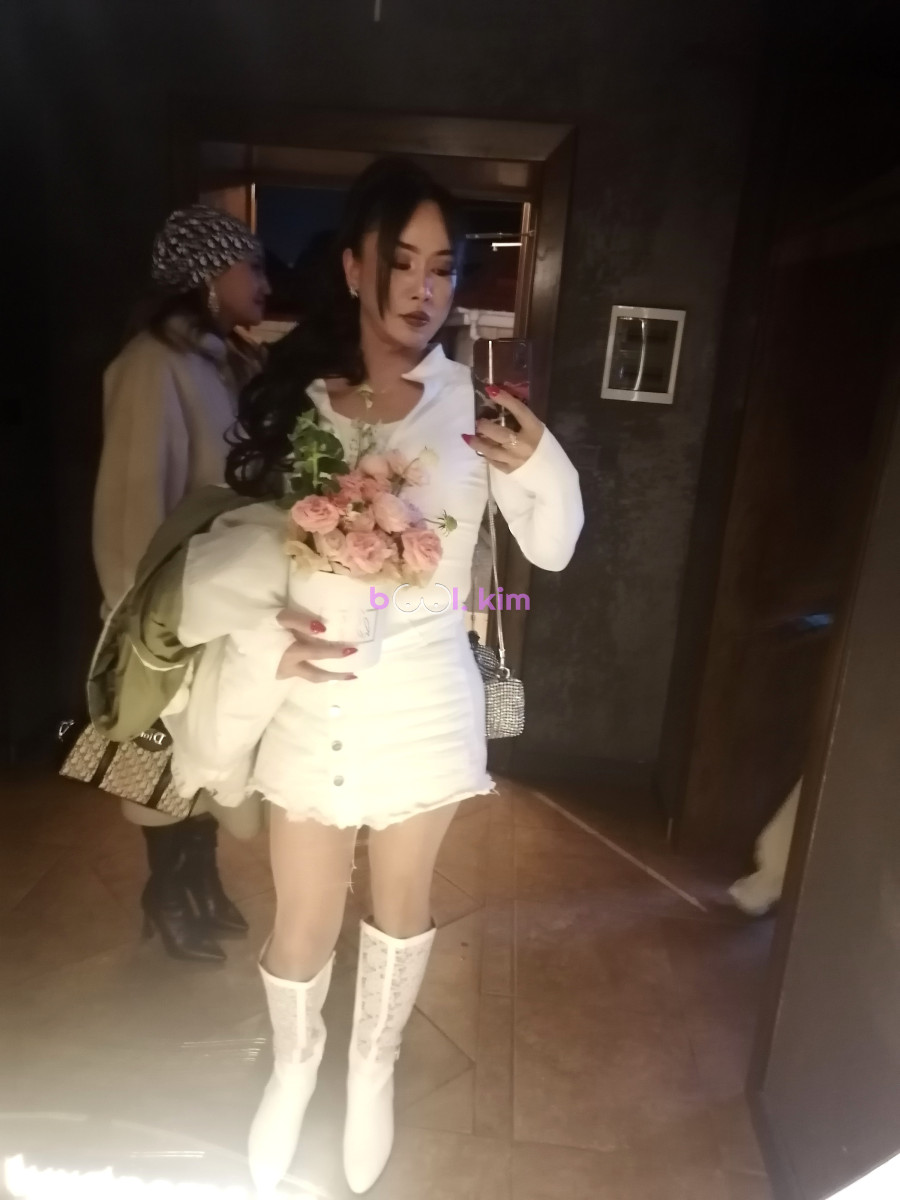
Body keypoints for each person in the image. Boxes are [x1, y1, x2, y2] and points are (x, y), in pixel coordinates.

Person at [163, 159, 584, 1194]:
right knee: (301, 916)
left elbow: (555, 546)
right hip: (309, 699)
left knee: (399, 907)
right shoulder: (298, 404)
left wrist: (541, 460)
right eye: (402, 262)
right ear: (355, 268)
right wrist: (268, 643)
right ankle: (295, 1068)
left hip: (425, 702)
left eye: (443, 267)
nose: (423, 288)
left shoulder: (474, 412)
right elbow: (237, 562)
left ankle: (372, 1067)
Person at [92, 203, 271, 964]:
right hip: (161, 607)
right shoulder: (151, 365)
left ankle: (201, 882)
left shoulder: (223, 362)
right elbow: (131, 504)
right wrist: (141, 620)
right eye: (250, 265)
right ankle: (166, 893)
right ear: (208, 273)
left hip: (211, 599)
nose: (264, 282)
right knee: (155, 751)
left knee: (206, 755)